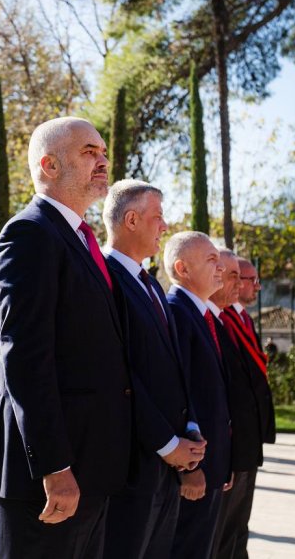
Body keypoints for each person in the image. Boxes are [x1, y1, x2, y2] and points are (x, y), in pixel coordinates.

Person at [0, 116, 133, 559]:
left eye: (103, 152)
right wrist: (55, 465)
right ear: (48, 165)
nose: (103, 161)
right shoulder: (30, 234)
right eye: (89, 152)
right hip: (44, 476)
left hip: (90, 469)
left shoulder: (79, 240)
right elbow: (25, 359)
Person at [100, 181, 205, 559]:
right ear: (131, 219)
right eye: (157, 216)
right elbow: (121, 374)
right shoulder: (105, 279)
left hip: (167, 463)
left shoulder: (152, 286)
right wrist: (167, 443)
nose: (165, 226)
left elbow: (175, 368)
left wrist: (189, 430)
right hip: (133, 464)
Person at [165, 232, 232, 559]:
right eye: (211, 260)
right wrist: (189, 468)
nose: (220, 267)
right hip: (194, 467)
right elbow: (180, 393)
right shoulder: (177, 312)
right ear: (182, 268)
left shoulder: (199, 314)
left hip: (211, 463)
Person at [212, 251, 275, 559]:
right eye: (238, 276)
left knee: (238, 526)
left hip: (247, 441)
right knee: (223, 530)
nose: (253, 286)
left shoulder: (239, 317)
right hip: (229, 443)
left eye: (244, 277)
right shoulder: (218, 318)